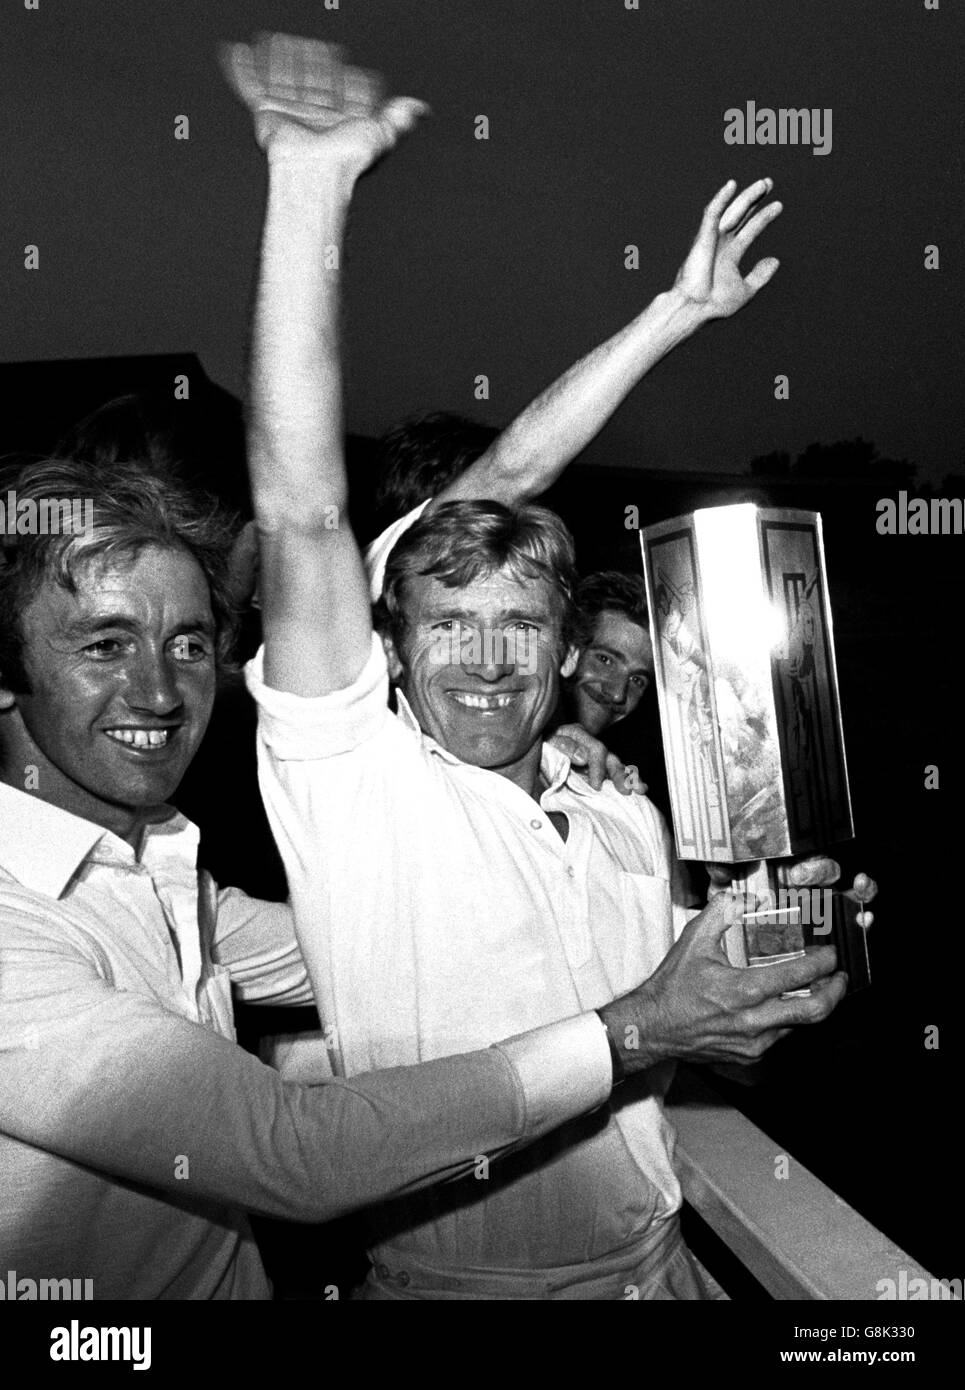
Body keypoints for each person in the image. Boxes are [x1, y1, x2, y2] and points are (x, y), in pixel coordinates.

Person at [227, 33, 871, 1300]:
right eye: (445, 621)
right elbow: (305, 510)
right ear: (388, 649)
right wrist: (309, 188)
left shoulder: (620, 808)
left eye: (519, 623)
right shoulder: (358, 789)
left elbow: (702, 1030)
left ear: (565, 647)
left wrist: (791, 961)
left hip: (665, 1270)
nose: (482, 656)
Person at [0, 455, 730, 1301]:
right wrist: (634, 1030)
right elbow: (298, 1156)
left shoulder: (164, 881)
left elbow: (429, 934)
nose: (160, 690)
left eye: (188, 644)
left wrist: (744, 936)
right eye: (105, 644)